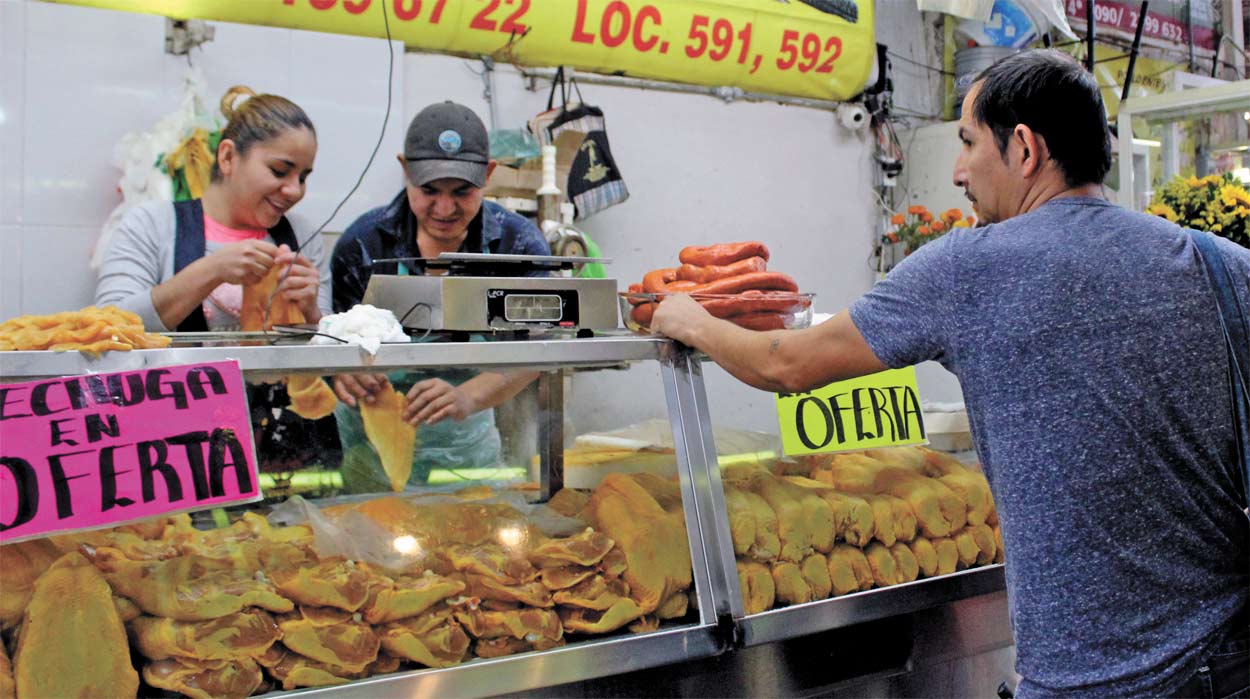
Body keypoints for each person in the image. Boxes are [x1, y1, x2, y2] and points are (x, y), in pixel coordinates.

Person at [653, 49, 1249, 698]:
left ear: (1025, 149)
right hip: (1230, 664)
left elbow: (785, 363)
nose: (959, 171)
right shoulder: (1220, 265)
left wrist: (691, 321)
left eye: (967, 143)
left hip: (1088, 682)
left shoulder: (969, 269)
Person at [96, 85, 338, 471]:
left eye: (304, 176)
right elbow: (108, 331)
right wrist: (210, 270)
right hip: (168, 454)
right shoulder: (152, 225)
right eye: (279, 171)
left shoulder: (302, 237)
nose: (294, 190)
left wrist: (311, 313)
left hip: (276, 455)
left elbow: (322, 362)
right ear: (227, 157)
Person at [330, 101, 550, 491]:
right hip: (371, 456)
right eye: (429, 190)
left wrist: (467, 397)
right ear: (405, 170)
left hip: (466, 452)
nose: (444, 209)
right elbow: (334, 342)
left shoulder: (517, 247)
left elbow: (538, 350)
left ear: (488, 174)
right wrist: (344, 370)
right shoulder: (363, 244)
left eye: (462, 192)